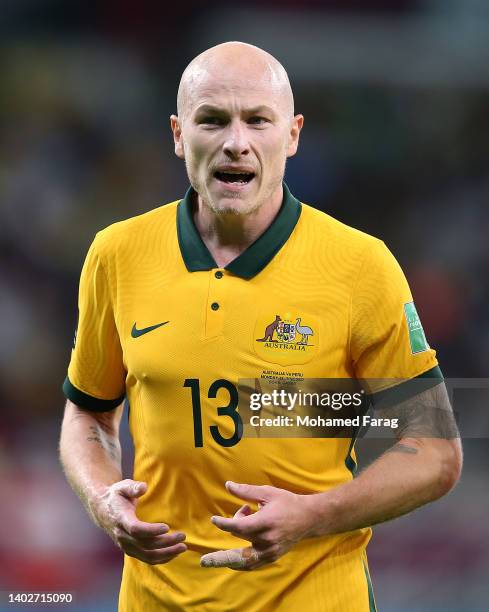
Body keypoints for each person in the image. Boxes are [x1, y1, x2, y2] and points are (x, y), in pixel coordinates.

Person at [59, 41, 462, 612]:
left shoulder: (361, 266)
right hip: (155, 600)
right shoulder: (116, 254)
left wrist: (312, 515)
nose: (236, 142)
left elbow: (435, 452)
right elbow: (89, 412)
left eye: (257, 120)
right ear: (178, 134)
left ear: (292, 135)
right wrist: (103, 500)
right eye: (213, 120)